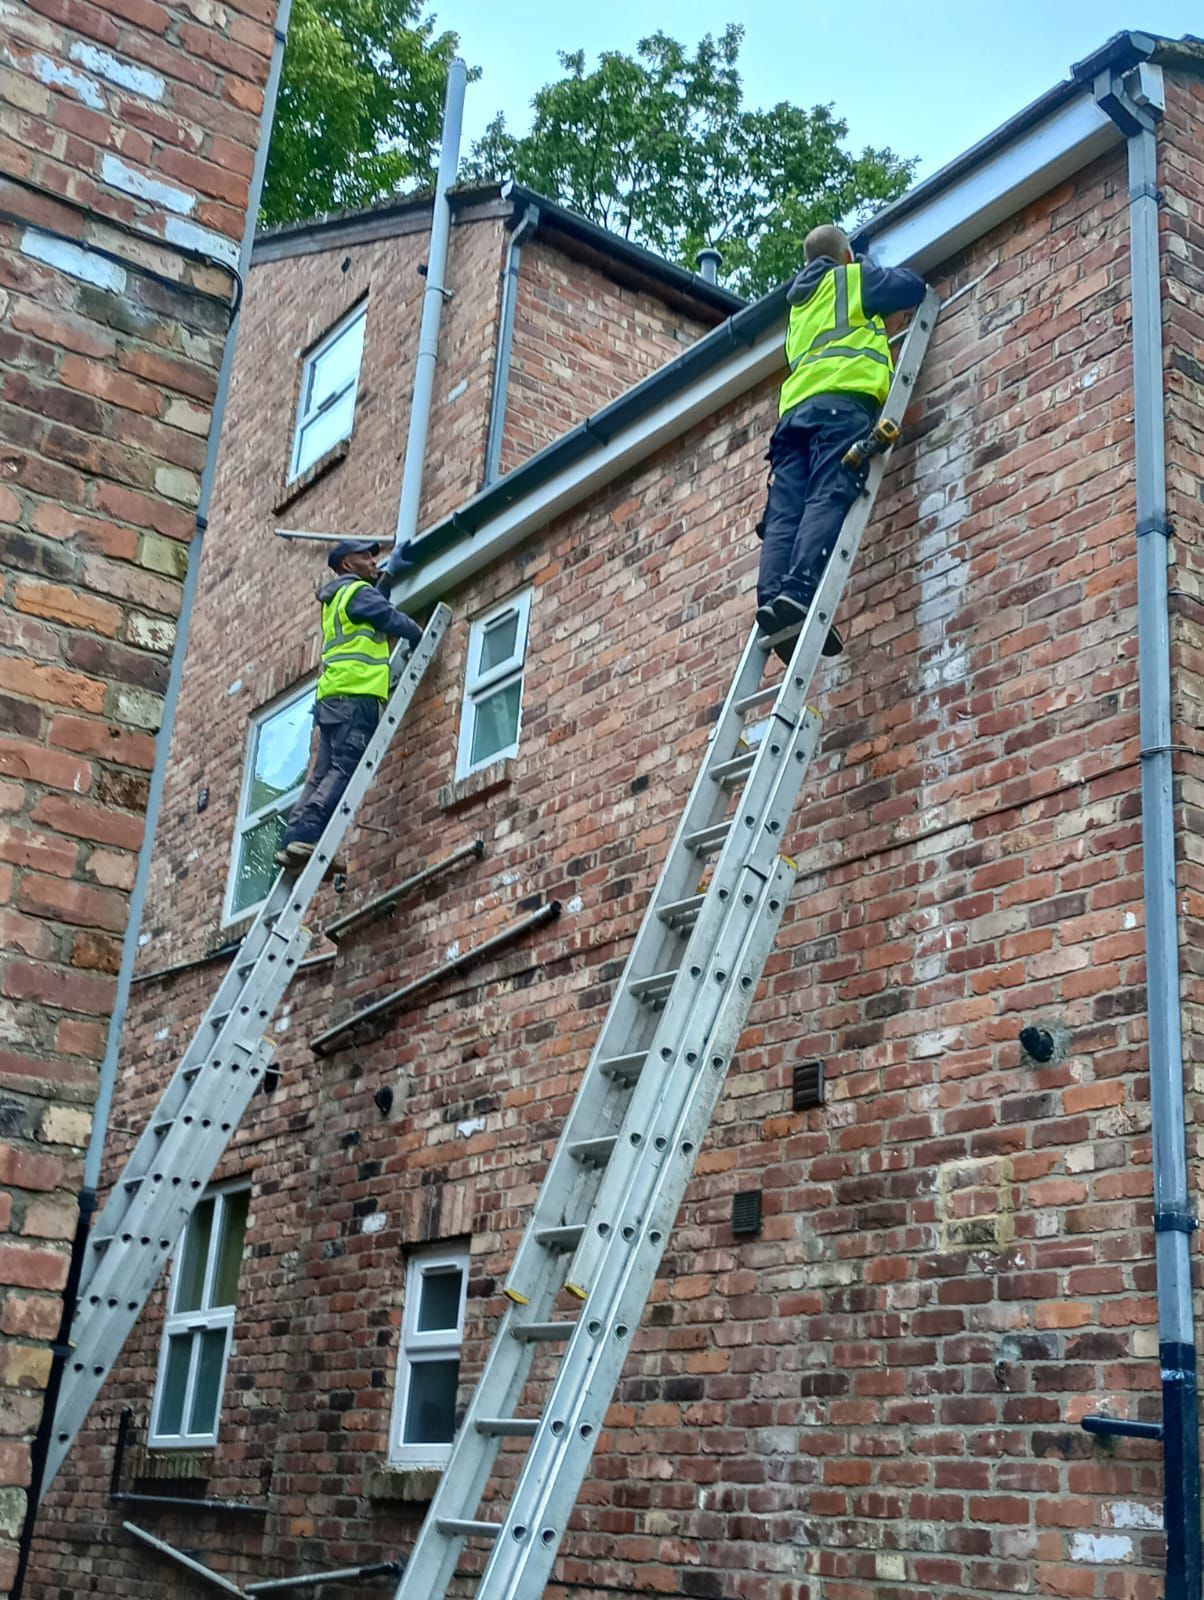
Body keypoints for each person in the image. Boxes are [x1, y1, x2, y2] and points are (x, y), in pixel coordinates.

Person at [755, 223, 927, 657]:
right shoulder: (853, 278)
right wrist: (866, 265)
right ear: (846, 255)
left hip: (792, 420)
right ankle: (799, 589)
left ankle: (771, 598)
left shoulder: (798, 307)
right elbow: (910, 288)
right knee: (829, 493)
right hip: (841, 407)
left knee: (784, 513)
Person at [275, 538, 422, 868]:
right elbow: (388, 618)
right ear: (346, 564)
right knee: (344, 767)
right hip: (357, 697)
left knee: (321, 773)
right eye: (365, 556)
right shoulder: (357, 593)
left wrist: (389, 576)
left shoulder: (338, 598)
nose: (373, 561)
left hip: (332, 698)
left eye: (375, 556)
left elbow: (370, 612)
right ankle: (310, 834)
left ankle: (295, 837)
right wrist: (418, 633)